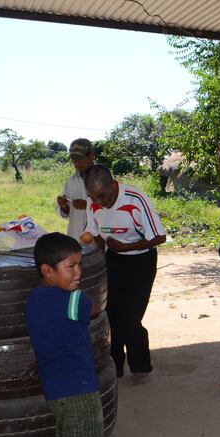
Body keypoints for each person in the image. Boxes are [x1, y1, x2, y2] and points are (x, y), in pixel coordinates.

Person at [22, 233, 109, 437]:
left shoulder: (34, 300)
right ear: (47, 271)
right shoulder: (73, 301)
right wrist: (82, 295)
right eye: (70, 266)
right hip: (78, 386)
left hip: (55, 388)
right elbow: (94, 308)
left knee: (70, 435)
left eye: (79, 265)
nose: (78, 273)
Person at [83, 164, 167, 386]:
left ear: (113, 184)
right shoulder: (94, 204)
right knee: (111, 313)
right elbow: (94, 232)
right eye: (93, 197)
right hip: (114, 259)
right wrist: (102, 250)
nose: (99, 202)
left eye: (102, 195)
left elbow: (160, 237)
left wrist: (125, 248)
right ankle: (116, 364)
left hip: (141, 260)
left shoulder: (135, 198)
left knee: (131, 317)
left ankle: (140, 365)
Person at [56, 138, 96, 241]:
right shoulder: (71, 181)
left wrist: (88, 205)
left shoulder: (103, 179)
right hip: (74, 237)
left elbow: (112, 209)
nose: (76, 162)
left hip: (98, 241)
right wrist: (64, 206)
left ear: (91, 156)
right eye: (73, 158)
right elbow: (65, 213)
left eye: (80, 158)